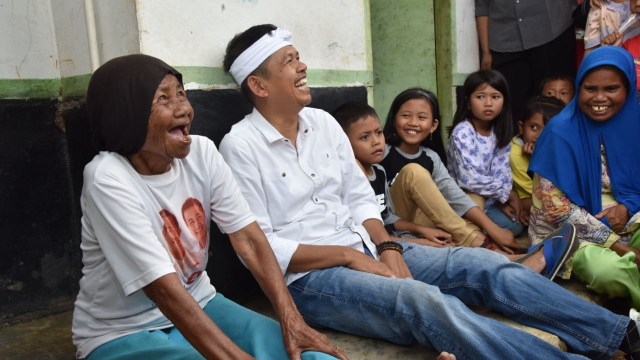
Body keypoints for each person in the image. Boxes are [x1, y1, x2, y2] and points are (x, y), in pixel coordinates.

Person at [218, 23, 640, 360]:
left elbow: (359, 196)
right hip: (311, 279)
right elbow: (260, 247)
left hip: (368, 244)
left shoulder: (323, 124)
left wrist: (387, 246)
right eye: (290, 61)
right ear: (259, 85)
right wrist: (351, 256)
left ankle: (621, 335)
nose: (303, 66)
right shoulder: (240, 147)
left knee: (484, 267)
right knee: (425, 302)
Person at [71, 54, 345, 360]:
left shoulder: (201, 152)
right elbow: (162, 290)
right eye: (163, 98)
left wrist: (292, 321)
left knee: (314, 356)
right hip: (122, 331)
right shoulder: (108, 176)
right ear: (126, 113)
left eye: (181, 94)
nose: (184, 109)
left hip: (202, 303)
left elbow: (251, 241)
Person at [529, 46, 640, 310]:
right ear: (580, 87)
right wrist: (622, 249)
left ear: (628, 88)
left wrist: (627, 207)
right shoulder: (559, 131)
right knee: (608, 272)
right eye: (590, 89)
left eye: (611, 89)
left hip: (631, 221)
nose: (599, 98)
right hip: (572, 234)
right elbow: (558, 210)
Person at [381, 87, 518, 252]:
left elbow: (454, 195)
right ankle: (482, 246)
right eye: (406, 116)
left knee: (474, 199)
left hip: (427, 225)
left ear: (433, 125)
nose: (413, 123)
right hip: (398, 226)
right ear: (394, 119)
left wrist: (493, 229)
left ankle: (481, 245)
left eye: (422, 117)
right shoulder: (382, 153)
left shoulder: (431, 157)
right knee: (414, 171)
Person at [333, 101, 453, 248]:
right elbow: (366, 236)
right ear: (343, 143)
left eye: (378, 132)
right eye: (365, 137)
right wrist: (420, 242)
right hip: (377, 246)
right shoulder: (345, 180)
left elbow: (388, 218)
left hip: (394, 238)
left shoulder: (379, 172)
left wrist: (422, 230)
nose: (376, 142)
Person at [475, 0, 578, 123]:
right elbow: (482, 6)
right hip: (505, 41)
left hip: (552, 32)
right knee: (512, 107)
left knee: (554, 102)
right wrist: (486, 51)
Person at [446, 69, 521, 237]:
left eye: (495, 97)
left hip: (492, 199)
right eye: (480, 97)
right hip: (467, 199)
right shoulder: (463, 132)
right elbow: (470, 180)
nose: (488, 103)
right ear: (468, 102)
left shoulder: (499, 131)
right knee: (506, 227)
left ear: (504, 101)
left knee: (517, 224)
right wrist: (506, 194)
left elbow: (502, 171)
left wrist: (503, 199)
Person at [510, 96, 566, 228]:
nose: (539, 135)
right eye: (533, 127)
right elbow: (542, 194)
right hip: (527, 200)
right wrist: (535, 160)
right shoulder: (515, 153)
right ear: (521, 127)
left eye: (548, 129)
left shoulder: (560, 148)